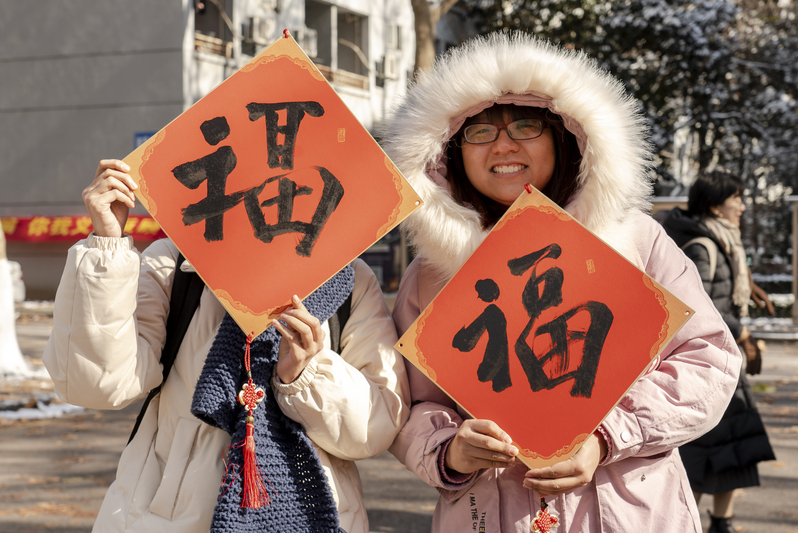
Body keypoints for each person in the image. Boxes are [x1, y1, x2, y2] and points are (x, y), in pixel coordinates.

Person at [381, 32, 741, 532]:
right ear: (451, 153)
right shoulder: (431, 274)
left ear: (563, 136)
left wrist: (607, 438)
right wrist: (450, 450)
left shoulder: (635, 240)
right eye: (479, 132)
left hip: (630, 512)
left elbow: (709, 359)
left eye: (525, 125)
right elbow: (410, 402)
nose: (503, 145)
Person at [42, 158, 410, 533]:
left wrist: (306, 374)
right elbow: (98, 385)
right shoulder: (174, 264)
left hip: (310, 517)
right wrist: (106, 245)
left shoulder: (351, 282)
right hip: (164, 518)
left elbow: (376, 429)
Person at [662, 170, 775, 533]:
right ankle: (686, 524)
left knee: (735, 450)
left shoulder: (721, 240)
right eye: (735, 198)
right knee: (702, 454)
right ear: (714, 205)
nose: (741, 206)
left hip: (724, 361)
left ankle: (721, 522)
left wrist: (751, 289)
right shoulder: (701, 245)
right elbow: (697, 304)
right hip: (705, 363)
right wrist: (742, 331)